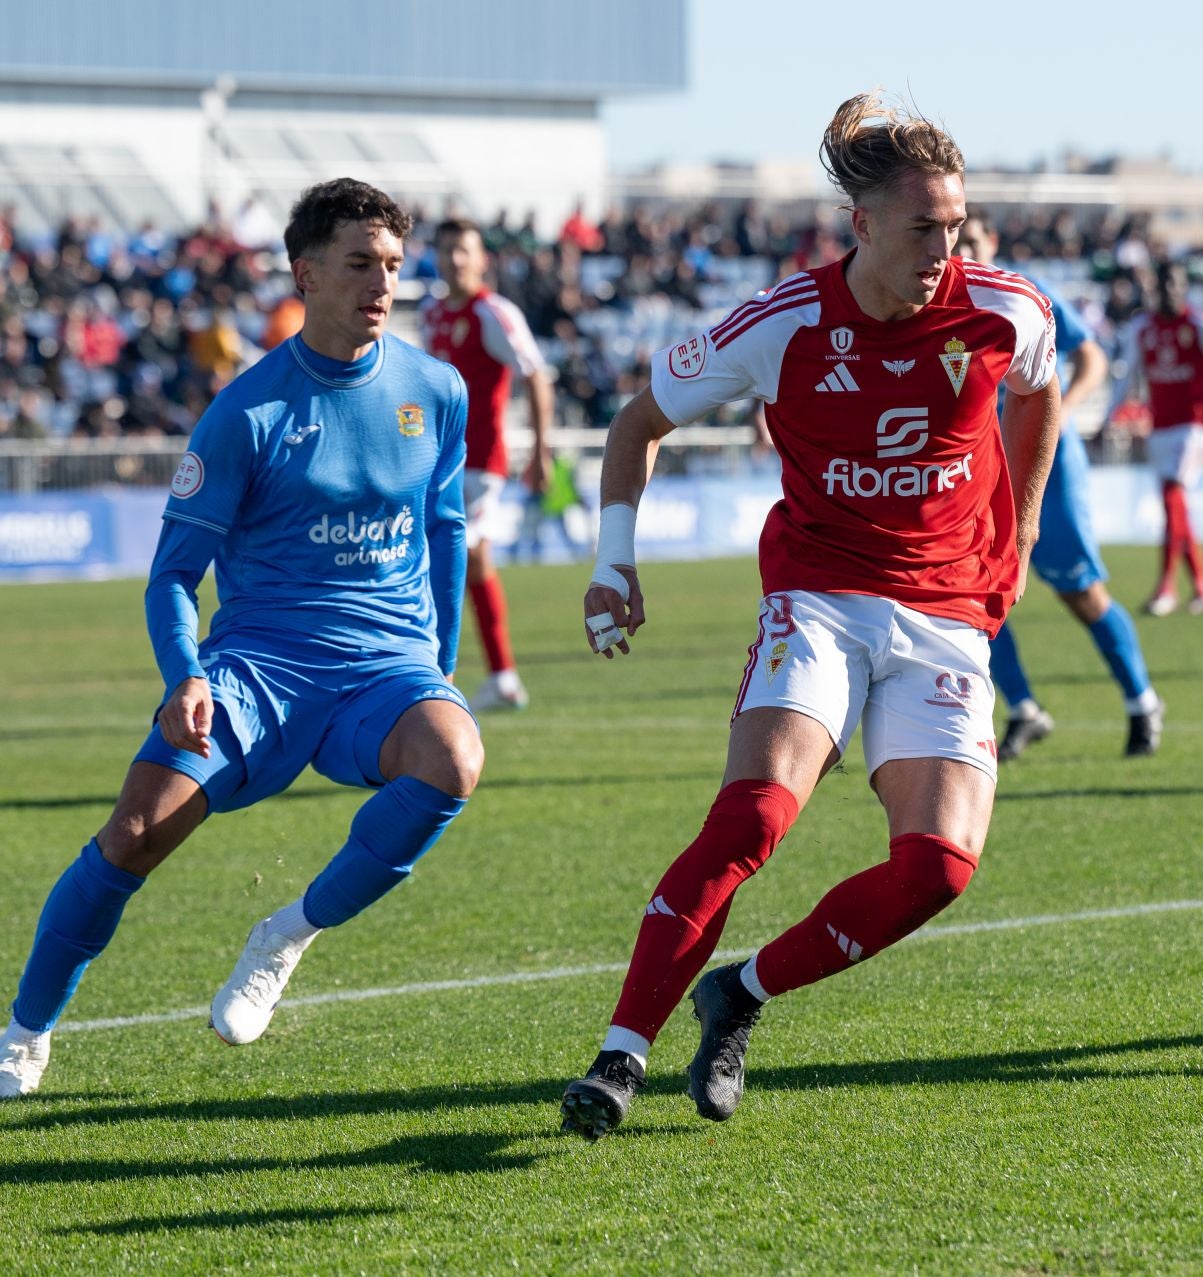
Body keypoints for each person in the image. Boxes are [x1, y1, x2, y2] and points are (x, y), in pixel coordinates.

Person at [557, 93, 1059, 1137]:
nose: (944, 246)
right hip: (819, 599)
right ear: (862, 224)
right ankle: (619, 1054)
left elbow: (1041, 395)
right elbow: (637, 421)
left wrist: (1019, 535)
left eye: (955, 224)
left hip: (946, 614)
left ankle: (740, 991)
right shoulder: (780, 323)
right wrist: (615, 560)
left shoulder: (1008, 311)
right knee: (753, 817)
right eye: (923, 225)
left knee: (938, 868)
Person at [0, 179, 481, 1099]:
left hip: (384, 669)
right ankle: (25, 1031)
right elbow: (174, 574)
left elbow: (446, 521)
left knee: (455, 759)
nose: (381, 284)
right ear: (305, 273)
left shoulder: (437, 390)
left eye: (391, 266)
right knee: (134, 835)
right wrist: (183, 674)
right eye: (358, 264)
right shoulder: (245, 413)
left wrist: (441, 651)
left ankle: (286, 934)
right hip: (256, 671)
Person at [954, 214, 1164, 759]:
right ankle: (1024, 708)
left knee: (1080, 592)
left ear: (993, 240)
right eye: (958, 242)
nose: (965, 251)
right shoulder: (939, 306)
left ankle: (1142, 701)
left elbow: (1090, 354)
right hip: (980, 469)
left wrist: (1063, 412)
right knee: (979, 596)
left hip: (1048, 464)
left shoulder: (1022, 296)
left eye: (975, 240)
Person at [421, 217, 556, 711]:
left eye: (464, 250)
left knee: (460, 556)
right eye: (446, 249)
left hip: (481, 464)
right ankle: (497, 676)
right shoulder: (434, 313)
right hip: (437, 466)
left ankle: (441, 676)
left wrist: (540, 452)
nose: (455, 259)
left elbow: (536, 375)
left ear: (482, 260)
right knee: (468, 562)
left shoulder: (493, 313)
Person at [1110, 259, 1203, 616]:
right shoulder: (1143, 327)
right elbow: (1126, 376)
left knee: (1172, 499)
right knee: (1176, 510)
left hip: (1193, 425)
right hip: (1160, 426)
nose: (1169, 291)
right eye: (1163, 285)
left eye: (1175, 285)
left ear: (1184, 289)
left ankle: (1166, 589)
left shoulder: (1200, 323)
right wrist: (1109, 417)